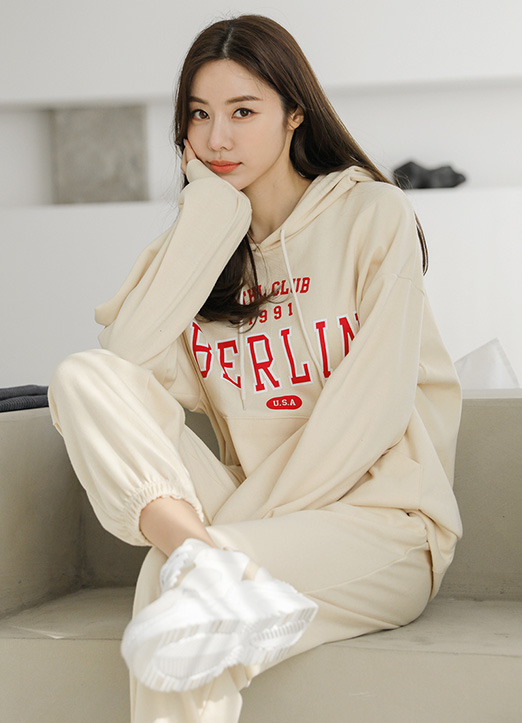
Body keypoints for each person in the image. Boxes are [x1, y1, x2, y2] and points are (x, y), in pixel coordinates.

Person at [48, 14, 462, 723]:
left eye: (243, 112)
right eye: (199, 115)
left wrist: (221, 544)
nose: (217, 138)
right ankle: (207, 563)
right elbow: (124, 367)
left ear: (295, 113)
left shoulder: (372, 214)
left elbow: (369, 418)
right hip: (255, 520)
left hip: (380, 524)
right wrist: (210, 215)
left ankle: (201, 563)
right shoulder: (200, 249)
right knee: (81, 375)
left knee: (174, 589)